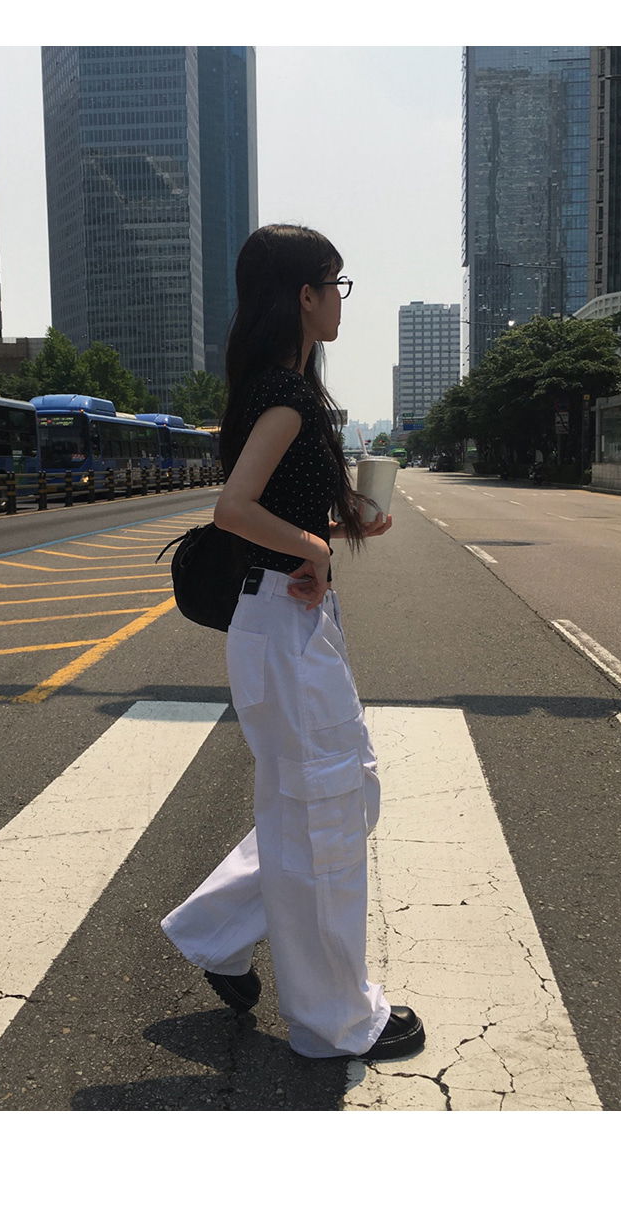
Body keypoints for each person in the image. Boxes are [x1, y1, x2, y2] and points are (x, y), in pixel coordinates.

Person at [163, 220, 421, 1075]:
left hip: (285, 621)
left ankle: (214, 929)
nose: (340, 299)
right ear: (303, 296)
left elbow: (276, 503)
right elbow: (234, 508)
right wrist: (312, 546)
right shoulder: (286, 394)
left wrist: (343, 526)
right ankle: (333, 1019)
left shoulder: (281, 389)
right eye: (334, 284)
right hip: (281, 622)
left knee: (325, 800)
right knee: (327, 812)